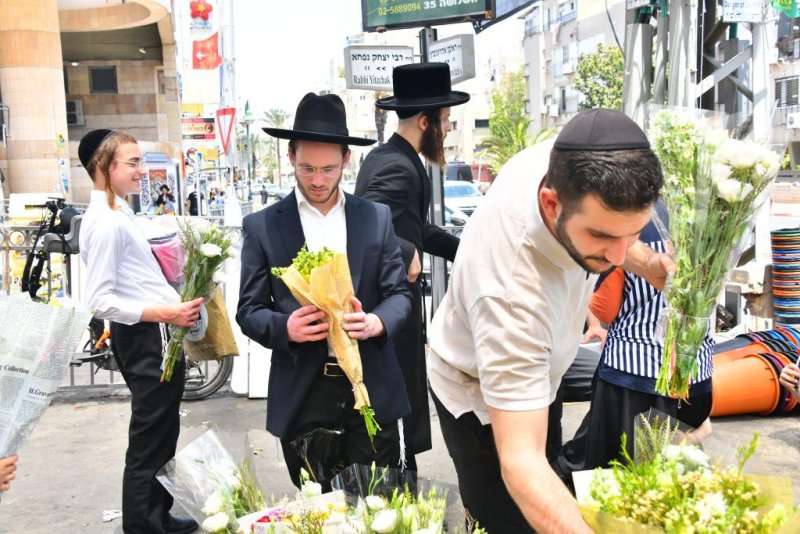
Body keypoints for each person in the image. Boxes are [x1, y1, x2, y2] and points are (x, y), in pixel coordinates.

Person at [426, 109, 669, 533]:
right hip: (476, 393)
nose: (617, 256)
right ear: (551, 204)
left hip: (542, 365)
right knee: (508, 518)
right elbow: (522, 461)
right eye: (602, 238)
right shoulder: (509, 291)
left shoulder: (568, 162)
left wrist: (648, 264)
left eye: (633, 233)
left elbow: (612, 230)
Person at [236, 93, 412, 489]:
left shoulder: (375, 218)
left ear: (347, 160)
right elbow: (248, 310)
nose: (318, 180)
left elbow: (400, 294)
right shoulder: (263, 226)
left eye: (329, 169)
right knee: (318, 514)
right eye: (308, 168)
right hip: (304, 393)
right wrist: (285, 328)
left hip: (370, 387)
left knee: (377, 506)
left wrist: (377, 321)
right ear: (290, 156)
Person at [77, 129, 203, 534]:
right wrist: (165, 312)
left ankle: (157, 515)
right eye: (131, 162)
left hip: (156, 334)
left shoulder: (119, 214)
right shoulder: (105, 223)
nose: (141, 171)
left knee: (164, 430)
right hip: (144, 337)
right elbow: (99, 300)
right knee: (150, 436)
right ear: (104, 166)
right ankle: (143, 526)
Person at [355, 62, 468, 468]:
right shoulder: (397, 166)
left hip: (387, 309)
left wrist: (465, 247)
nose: (449, 129)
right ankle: (397, 493)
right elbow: (366, 218)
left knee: (397, 409)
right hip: (390, 309)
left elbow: (414, 226)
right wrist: (404, 253)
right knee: (395, 411)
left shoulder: (389, 156)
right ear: (425, 121)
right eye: (446, 121)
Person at [555, 208, 715, 488]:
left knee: (621, 482)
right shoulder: (713, 222)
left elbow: (606, 307)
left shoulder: (625, 219)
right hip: (695, 374)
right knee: (675, 480)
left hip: (635, 373)